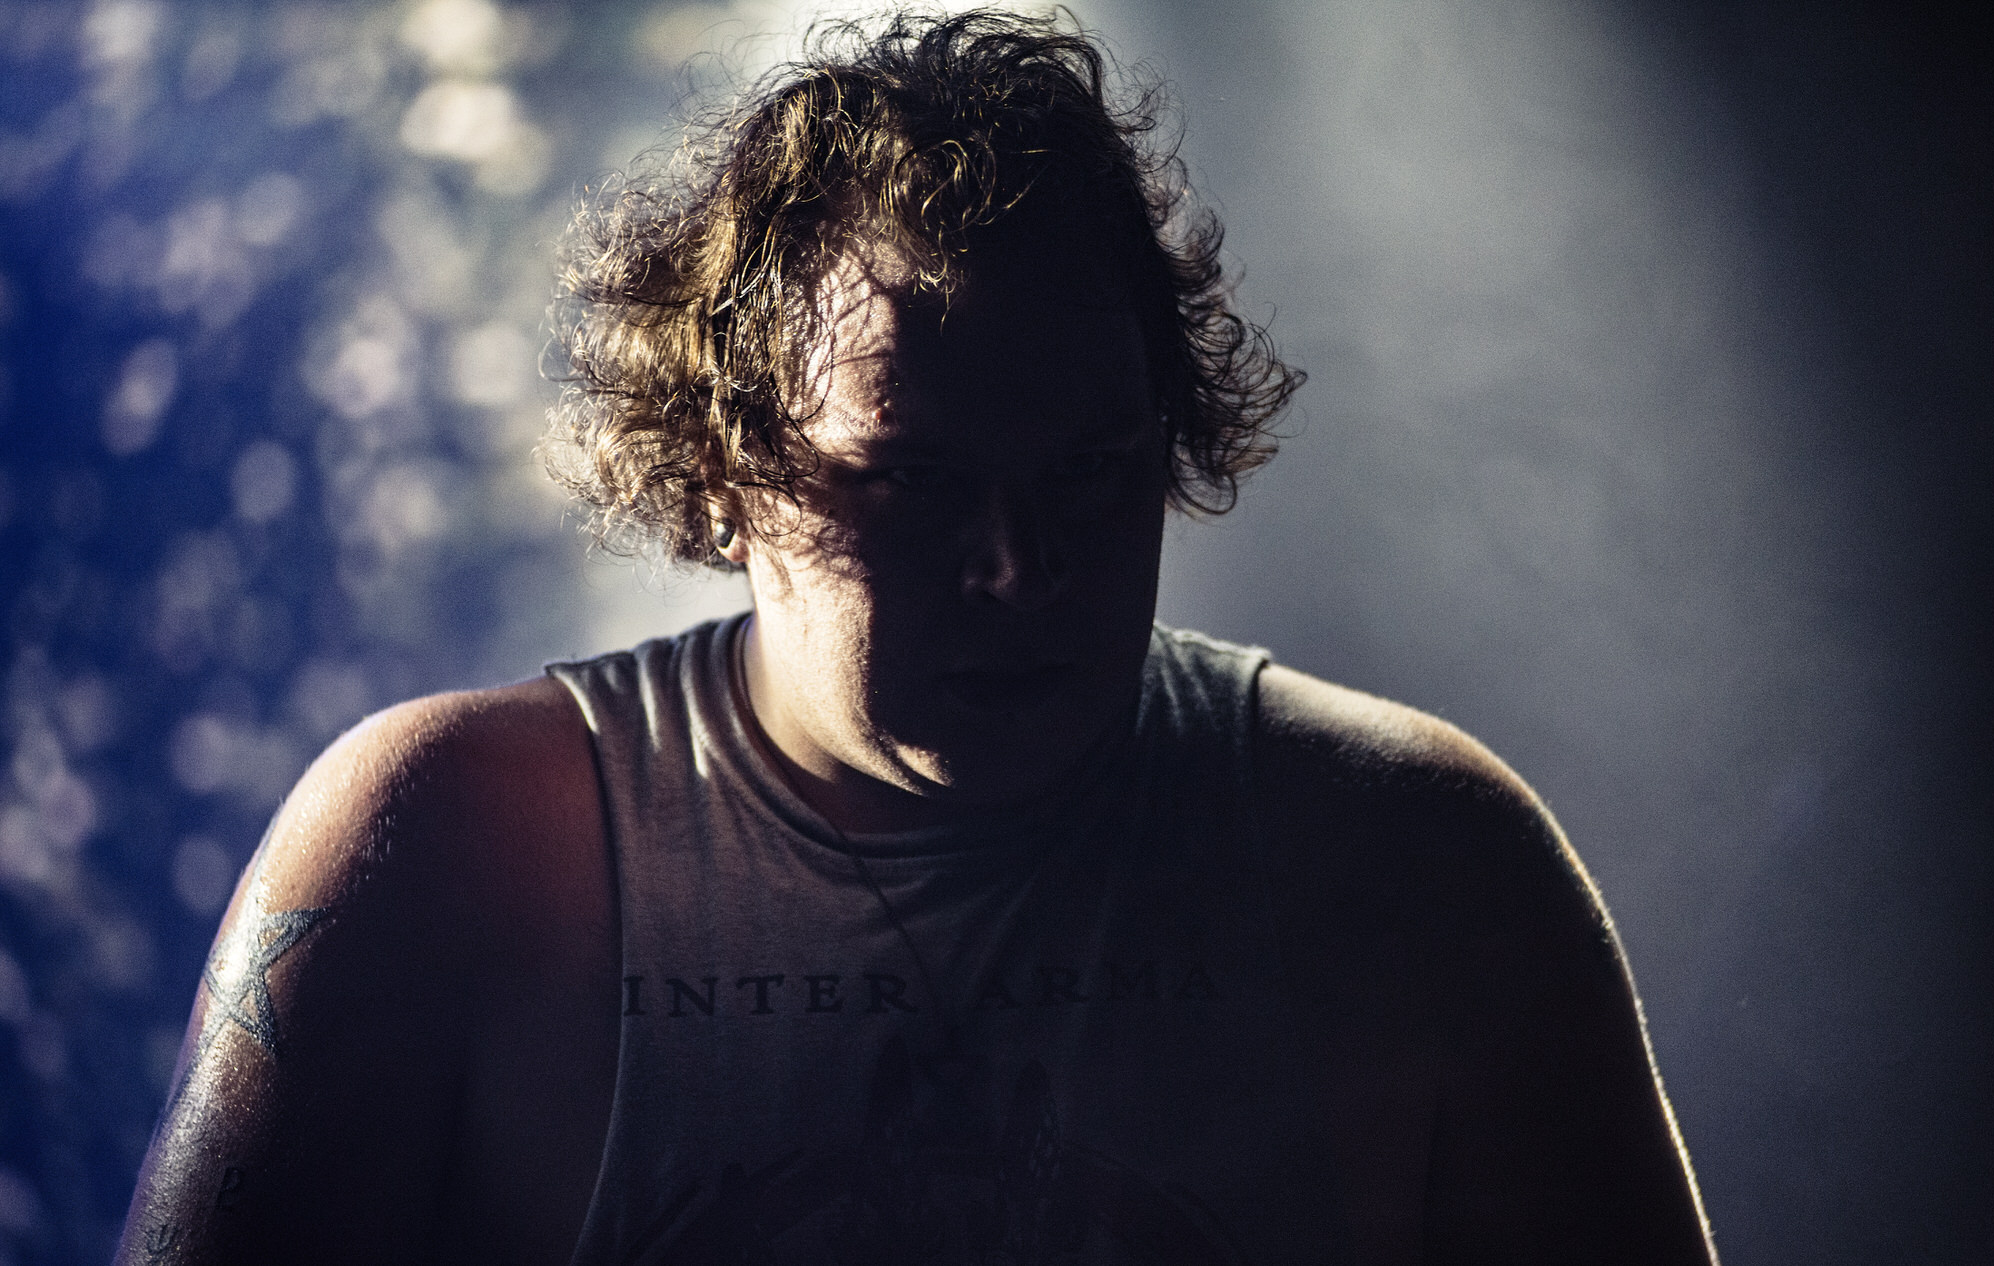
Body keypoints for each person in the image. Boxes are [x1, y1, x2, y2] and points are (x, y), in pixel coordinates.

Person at [118, 10, 1716, 1264]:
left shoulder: (1427, 872)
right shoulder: (439, 854)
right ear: (724, 471)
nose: (1019, 567)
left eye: (1090, 473)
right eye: (916, 483)